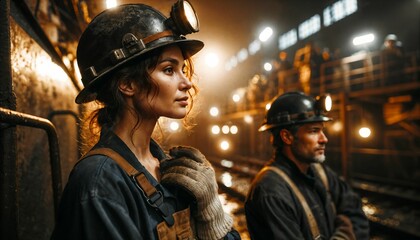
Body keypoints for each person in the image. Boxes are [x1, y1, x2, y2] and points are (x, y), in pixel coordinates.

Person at [51, 1, 240, 239]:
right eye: (169, 70)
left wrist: (212, 212)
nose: (187, 83)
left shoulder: (167, 166)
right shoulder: (99, 183)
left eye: (183, 69)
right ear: (128, 84)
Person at [244, 91, 369, 240]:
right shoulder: (270, 191)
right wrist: (345, 233)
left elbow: (357, 215)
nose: (324, 139)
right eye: (314, 131)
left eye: (322, 130)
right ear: (287, 137)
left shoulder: (320, 172)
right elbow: (350, 224)